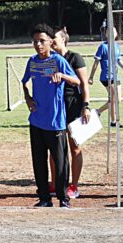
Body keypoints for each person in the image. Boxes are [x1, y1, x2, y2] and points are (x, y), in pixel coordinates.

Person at [22, 24, 81, 208]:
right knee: (39, 161)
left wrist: (62, 76)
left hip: (55, 121)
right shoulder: (32, 62)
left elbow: (77, 81)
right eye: (35, 41)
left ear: (50, 42)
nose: (38, 45)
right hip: (36, 120)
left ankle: (63, 198)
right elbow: (24, 82)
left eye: (42, 41)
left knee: (60, 161)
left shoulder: (58, 61)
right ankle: (44, 198)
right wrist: (28, 98)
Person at [51, 28, 91, 199]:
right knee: (54, 148)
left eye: (54, 38)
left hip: (73, 105)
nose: (51, 41)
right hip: (55, 107)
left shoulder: (75, 58)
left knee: (75, 147)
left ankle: (74, 184)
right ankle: (55, 183)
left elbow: (84, 84)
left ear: (63, 39)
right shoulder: (51, 59)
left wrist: (86, 106)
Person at [89, 28, 123, 126]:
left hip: (116, 76)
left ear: (116, 34)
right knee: (114, 99)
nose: (111, 34)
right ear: (106, 34)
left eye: (113, 32)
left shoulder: (117, 46)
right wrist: (91, 77)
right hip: (106, 77)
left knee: (118, 100)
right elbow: (96, 63)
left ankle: (98, 111)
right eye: (109, 32)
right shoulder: (103, 47)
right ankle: (114, 121)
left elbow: (118, 60)